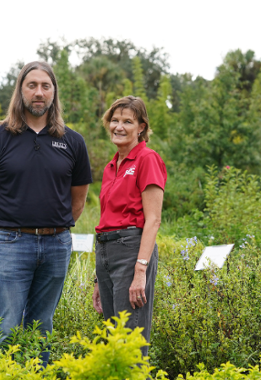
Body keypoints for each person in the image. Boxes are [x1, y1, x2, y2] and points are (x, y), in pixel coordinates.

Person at [0, 61, 93, 361]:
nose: (39, 92)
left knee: (41, 328)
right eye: (32, 85)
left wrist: (53, 230)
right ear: (20, 90)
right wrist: (3, 236)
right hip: (11, 244)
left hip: (57, 246)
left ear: (54, 93)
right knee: (5, 327)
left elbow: (78, 201)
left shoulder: (73, 142)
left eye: (45, 86)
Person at [91, 96, 167, 357]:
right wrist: (97, 279)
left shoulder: (148, 159)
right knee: (114, 342)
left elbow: (153, 220)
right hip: (106, 251)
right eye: (114, 120)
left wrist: (140, 270)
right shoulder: (111, 166)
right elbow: (106, 220)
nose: (119, 127)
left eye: (128, 121)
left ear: (142, 127)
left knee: (130, 344)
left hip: (131, 251)